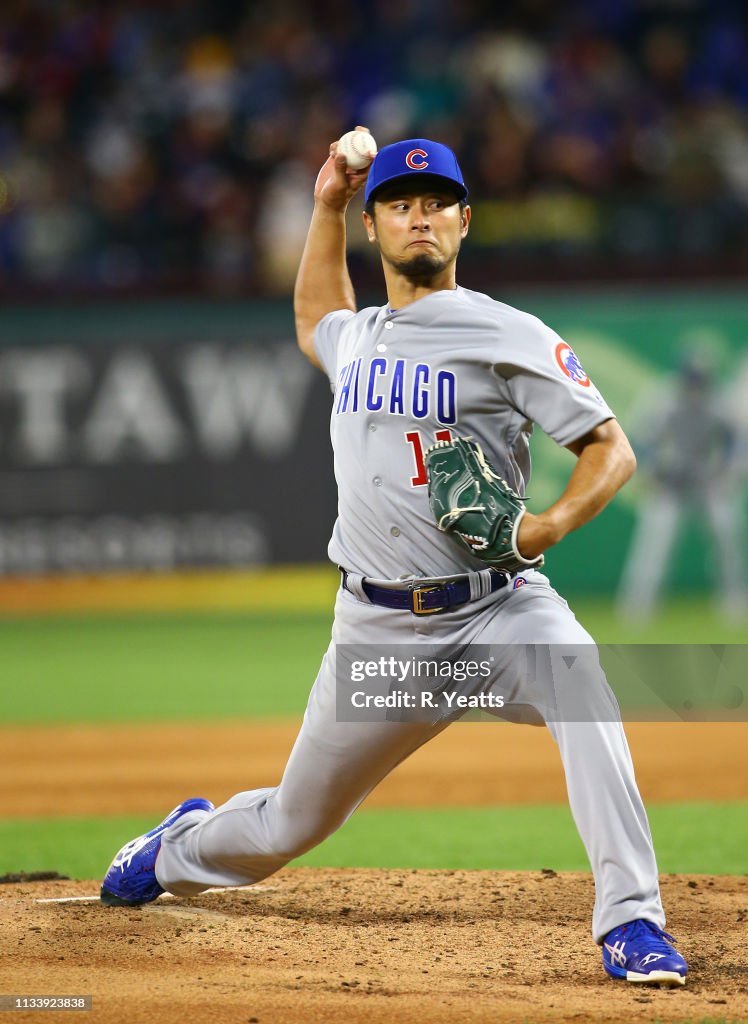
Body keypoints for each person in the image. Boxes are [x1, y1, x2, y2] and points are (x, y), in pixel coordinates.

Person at [100, 131, 688, 987]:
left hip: (497, 611)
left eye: (437, 203)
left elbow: (612, 448)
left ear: (464, 221)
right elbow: (313, 318)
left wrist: (545, 527)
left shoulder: (505, 332)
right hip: (380, 634)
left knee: (582, 682)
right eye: (401, 204)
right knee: (285, 827)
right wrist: (328, 202)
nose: (421, 217)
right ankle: (177, 847)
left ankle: (632, 922)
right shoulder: (360, 336)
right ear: (376, 228)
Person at [617, 353, 747, 622]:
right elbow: (640, 439)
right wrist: (652, 472)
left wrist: (725, 471)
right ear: (682, 378)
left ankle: (734, 602)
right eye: (692, 381)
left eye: (701, 381)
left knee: (726, 542)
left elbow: (734, 440)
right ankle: (637, 608)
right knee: (654, 546)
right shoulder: (662, 398)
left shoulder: (719, 400)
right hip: (671, 481)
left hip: (707, 480)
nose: (696, 389)